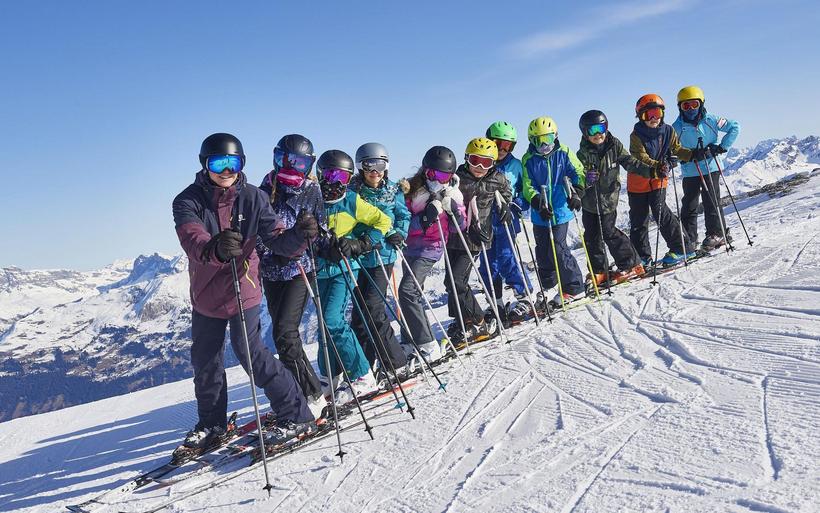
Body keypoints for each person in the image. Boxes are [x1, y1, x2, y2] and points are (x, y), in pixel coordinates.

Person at [172, 133, 316, 449]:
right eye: (218, 163)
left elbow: (278, 240)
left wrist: (301, 235)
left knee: (252, 354)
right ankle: (212, 424)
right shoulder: (187, 201)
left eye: (233, 162)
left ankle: (297, 414)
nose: (227, 170)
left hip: (243, 288)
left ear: (242, 164)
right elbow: (192, 239)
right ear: (204, 164)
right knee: (205, 361)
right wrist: (215, 248)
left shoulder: (252, 197)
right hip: (207, 293)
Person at [256, 134, 327, 420]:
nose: (289, 167)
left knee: (285, 333)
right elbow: (257, 234)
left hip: (301, 270)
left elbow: (319, 229)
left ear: (308, 165)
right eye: (283, 159)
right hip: (273, 272)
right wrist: (274, 253)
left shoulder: (312, 191)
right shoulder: (262, 190)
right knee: (281, 334)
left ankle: (312, 396)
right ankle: (302, 391)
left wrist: (317, 237)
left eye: (298, 162)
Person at [313, 149, 392, 405]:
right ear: (320, 174)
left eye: (344, 177)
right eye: (331, 174)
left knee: (333, 320)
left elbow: (383, 221)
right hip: (319, 271)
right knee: (324, 325)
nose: (336, 182)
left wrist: (361, 244)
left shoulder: (352, 201)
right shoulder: (312, 200)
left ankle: (362, 376)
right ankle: (330, 374)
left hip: (343, 270)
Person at [397, 146, 466, 361]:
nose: (438, 180)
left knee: (408, 290)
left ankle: (428, 345)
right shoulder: (411, 191)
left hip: (432, 247)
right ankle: (410, 341)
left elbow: (459, 227)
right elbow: (401, 222)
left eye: (444, 176)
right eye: (433, 174)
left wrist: (453, 209)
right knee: (412, 294)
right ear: (425, 171)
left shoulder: (452, 193)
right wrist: (424, 218)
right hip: (410, 247)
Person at [348, 142, 410, 379]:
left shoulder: (394, 190)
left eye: (380, 165)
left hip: (383, 255)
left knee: (373, 309)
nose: (375, 171)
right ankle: (366, 365)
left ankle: (396, 362)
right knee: (359, 314)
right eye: (369, 165)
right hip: (358, 257)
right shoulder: (351, 191)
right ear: (360, 167)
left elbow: (403, 216)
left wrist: (399, 233)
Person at [445, 138, 512, 343]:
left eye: (486, 162)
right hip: (453, 235)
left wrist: (505, 207)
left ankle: (478, 321)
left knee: (457, 280)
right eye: (475, 161)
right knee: (451, 282)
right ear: (467, 159)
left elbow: (506, 194)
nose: (480, 167)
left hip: (476, 238)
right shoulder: (457, 178)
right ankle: (462, 319)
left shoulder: (497, 178)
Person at [576, 110, 650, 284]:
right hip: (589, 202)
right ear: (585, 133)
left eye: (601, 128)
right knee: (591, 236)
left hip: (608, 200)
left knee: (609, 232)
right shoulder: (582, 154)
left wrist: (651, 171)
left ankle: (630, 264)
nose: (598, 134)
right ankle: (599, 271)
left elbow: (630, 162)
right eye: (592, 130)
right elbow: (578, 176)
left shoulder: (614, 146)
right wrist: (586, 179)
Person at [521, 116, 587, 309]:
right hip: (540, 212)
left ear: (555, 136)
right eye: (538, 140)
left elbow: (578, 172)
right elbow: (528, 185)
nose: (543, 144)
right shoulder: (529, 159)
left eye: (548, 139)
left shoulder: (564, 152)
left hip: (560, 208)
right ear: (531, 141)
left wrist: (577, 192)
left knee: (558, 247)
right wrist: (537, 202)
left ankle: (575, 287)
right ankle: (549, 286)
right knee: (542, 251)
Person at [629, 94, 695, 267]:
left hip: (659, 179)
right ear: (641, 116)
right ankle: (642, 257)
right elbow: (640, 157)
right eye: (648, 115)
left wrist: (692, 155)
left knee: (660, 212)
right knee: (638, 219)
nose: (653, 118)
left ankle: (682, 248)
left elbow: (677, 149)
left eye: (657, 113)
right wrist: (660, 165)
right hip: (639, 181)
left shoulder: (668, 131)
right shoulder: (636, 135)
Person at [672, 85, 741, 251]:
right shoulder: (676, 127)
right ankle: (689, 239)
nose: (690, 109)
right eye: (685, 106)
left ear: (701, 104)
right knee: (689, 204)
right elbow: (672, 148)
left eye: (694, 104)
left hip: (711, 167)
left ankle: (717, 233)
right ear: (680, 107)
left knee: (711, 201)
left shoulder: (711, 120)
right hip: (690, 170)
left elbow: (734, 126)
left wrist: (721, 147)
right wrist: (687, 155)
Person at [479, 121, 533, 325]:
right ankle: (496, 302)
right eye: (497, 143)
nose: (502, 149)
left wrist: (516, 206)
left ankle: (524, 296)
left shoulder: (515, 166)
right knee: (486, 264)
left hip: (506, 220)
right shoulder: (480, 163)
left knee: (506, 258)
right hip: (483, 223)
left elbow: (525, 192)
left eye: (507, 145)